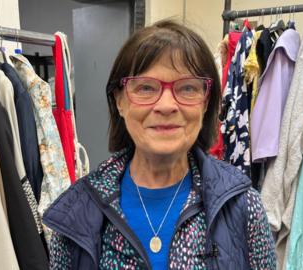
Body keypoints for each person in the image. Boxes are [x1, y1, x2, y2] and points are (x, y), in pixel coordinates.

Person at [43, 20, 276, 269]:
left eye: (187, 88)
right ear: (119, 101)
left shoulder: (241, 206)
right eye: (146, 88)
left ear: (206, 103)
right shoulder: (76, 213)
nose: (166, 106)